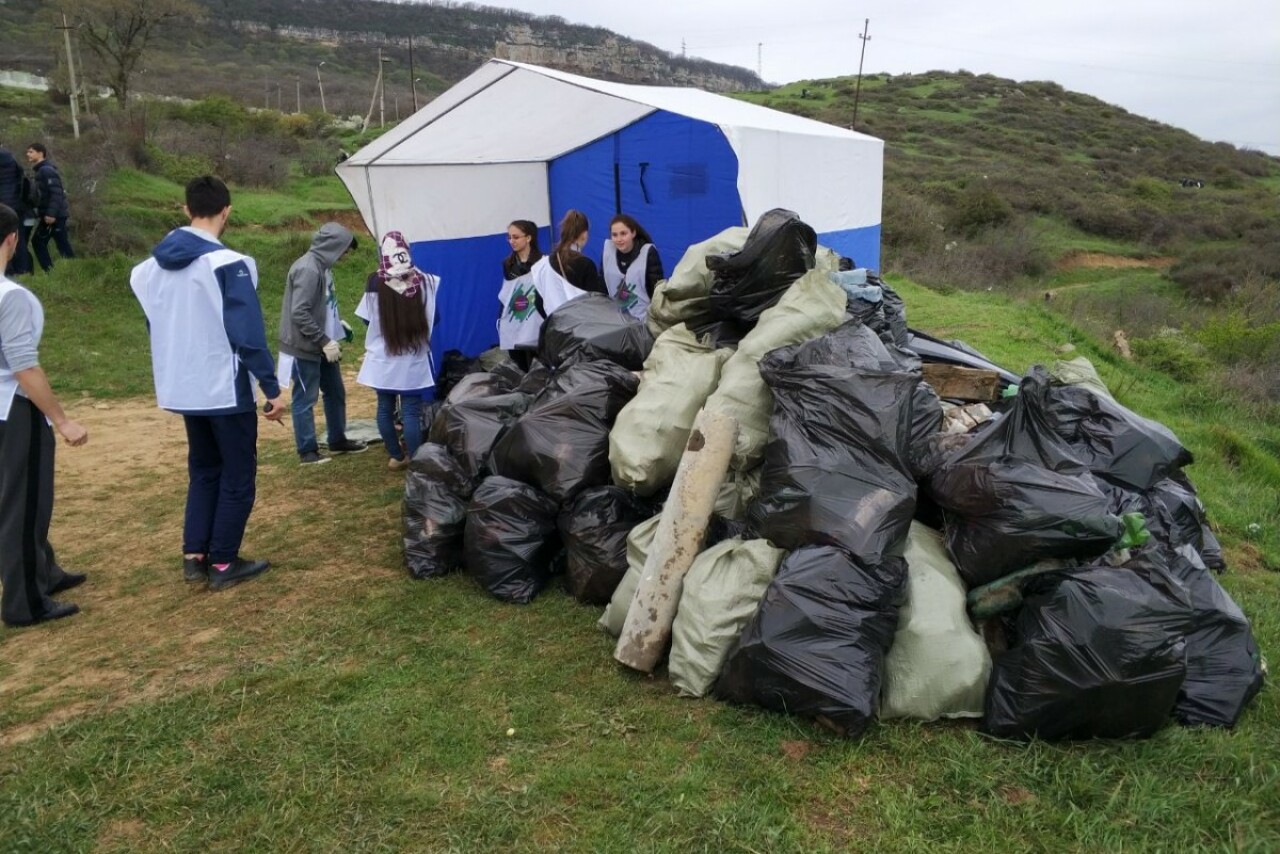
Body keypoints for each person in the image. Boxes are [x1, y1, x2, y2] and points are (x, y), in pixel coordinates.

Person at [130, 176, 285, 591]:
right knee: (237, 474)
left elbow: (157, 324)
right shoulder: (230, 264)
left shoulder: (145, 271)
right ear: (227, 211)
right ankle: (223, 562)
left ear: (186, 210)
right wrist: (271, 387)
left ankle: (194, 555)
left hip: (181, 385)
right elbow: (247, 335)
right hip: (223, 386)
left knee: (203, 469)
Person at [0, 202, 89, 627]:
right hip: (13, 409)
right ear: (13, 239)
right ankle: (25, 602)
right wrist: (61, 418)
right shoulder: (10, 296)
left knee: (16, 498)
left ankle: (43, 570)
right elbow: (24, 365)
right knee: (25, 502)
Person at [278, 222, 368, 465]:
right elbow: (300, 313)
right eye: (345, 250)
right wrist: (324, 339)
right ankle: (307, 451)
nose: (346, 255)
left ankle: (337, 439)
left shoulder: (323, 267)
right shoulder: (309, 269)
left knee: (335, 392)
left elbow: (322, 305)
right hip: (306, 345)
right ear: (334, 246)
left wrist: (338, 324)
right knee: (305, 398)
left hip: (324, 343)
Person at [356, 231, 440, 471]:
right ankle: (415, 458)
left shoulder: (374, 280)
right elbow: (436, 318)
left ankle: (395, 455)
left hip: (383, 355)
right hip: (412, 354)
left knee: (384, 407)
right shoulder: (425, 280)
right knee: (411, 411)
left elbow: (367, 319)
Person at [497, 219, 544, 369]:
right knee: (520, 366)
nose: (511, 241)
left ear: (528, 238)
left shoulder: (543, 263)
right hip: (516, 321)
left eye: (516, 237)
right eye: (509, 237)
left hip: (537, 323)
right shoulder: (507, 264)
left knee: (539, 366)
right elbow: (508, 293)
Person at [601, 213, 664, 321]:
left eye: (623, 233)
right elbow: (602, 283)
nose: (619, 239)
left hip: (643, 320)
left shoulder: (648, 253)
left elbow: (656, 291)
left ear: (633, 233)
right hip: (616, 319)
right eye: (614, 235)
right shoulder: (608, 251)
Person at [26, 143, 74, 272]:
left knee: (42, 242)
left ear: (41, 153)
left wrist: (51, 214)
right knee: (60, 243)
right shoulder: (40, 170)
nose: (28, 154)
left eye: (31, 152)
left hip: (54, 216)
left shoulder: (46, 170)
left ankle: (53, 272)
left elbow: (56, 193)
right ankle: (68, 272)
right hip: (50, 215)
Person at [0, 145, 34, 277]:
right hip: (15, 204)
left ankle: (10, 271)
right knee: (16, 240)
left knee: (8, 240)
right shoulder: (7, 155)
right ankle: (22, 271)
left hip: (5, 206)